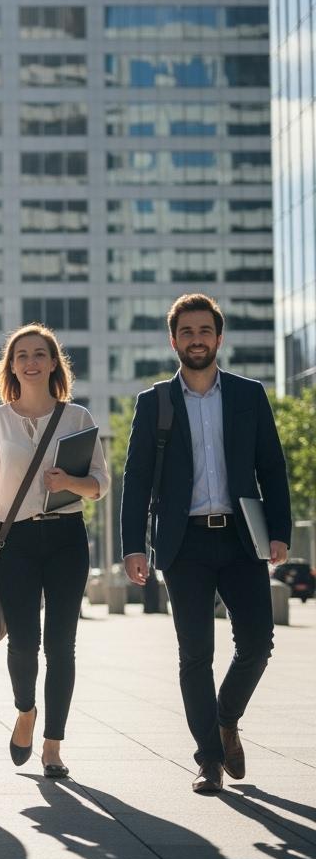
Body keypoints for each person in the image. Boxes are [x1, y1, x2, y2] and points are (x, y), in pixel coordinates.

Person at [121, 293, 291, 795]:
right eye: (187, 332)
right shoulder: (154, 403)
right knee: (195, 654)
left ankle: (225, 718)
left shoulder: (248, 395)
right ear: (174, 340)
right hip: (184, 544)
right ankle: (208, 760)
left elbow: (271, 467)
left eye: (205, 331)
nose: (197, 340)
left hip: (241, 538)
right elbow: (136, 478)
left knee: (258, 643)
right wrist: (134, 545)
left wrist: (279, 531)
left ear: (219, 338)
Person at [0, 324, 108, 780]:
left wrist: (68, 482)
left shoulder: (78, 418)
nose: (30, 361)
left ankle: (53, 746)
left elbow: (100, 486)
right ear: (11, 365)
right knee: (24, 643)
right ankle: (25, 711)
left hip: (67, 538)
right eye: (21, 355)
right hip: (18, 543)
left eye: (39, 354)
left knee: (62, 645)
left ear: (53, 363)